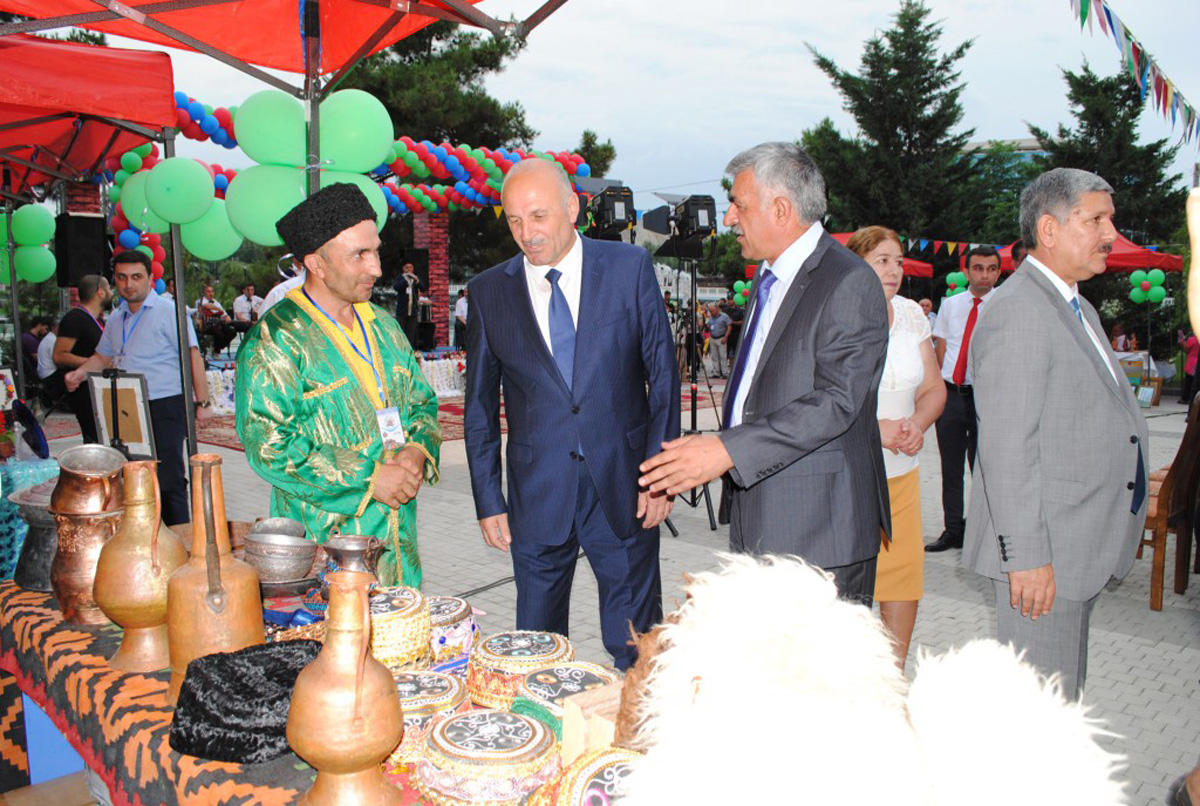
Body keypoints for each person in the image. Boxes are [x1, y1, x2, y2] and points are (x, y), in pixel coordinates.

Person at [638, 141, 890, 606]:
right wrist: (713, 447)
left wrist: (725, 449)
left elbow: (837, 401)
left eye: (738, 204)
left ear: (780, 209)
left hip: (819, 534)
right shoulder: (769, 275)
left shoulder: (848, 280)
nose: (729, 217)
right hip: (763, 513)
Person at [463, 158, 678, 670]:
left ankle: (641, 740)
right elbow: (478, 406)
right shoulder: (490, 291)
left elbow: (664, 379)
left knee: (635, 644)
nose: (526, 233)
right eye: (514, 221)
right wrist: (489, 499)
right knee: (535, 649)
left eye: (538, 216)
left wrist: (660, 477)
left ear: (572, 207)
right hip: (537, 497)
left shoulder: (628, 268)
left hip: (626, 487)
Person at [964, 167, 1148, 700]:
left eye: (1109, 220)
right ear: (1049, 229)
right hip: (1045, 557)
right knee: (1040, 717)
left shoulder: (1075, 304)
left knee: (1061, 700)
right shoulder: (1019, 310)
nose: (1111, 233)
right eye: (1095, 219)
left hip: (1077, 545)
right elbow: (1007, 447)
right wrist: (1025, 557)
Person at [236, 183, 440, 588]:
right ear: (317, 263)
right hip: (326, 552)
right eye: (359, 255)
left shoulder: (382, 325)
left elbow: (421, 403)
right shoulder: (277, 339)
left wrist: (416, 453)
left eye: (376, 250)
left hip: (398, 541)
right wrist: (370, 479)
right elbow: (269, 445)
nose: (377, 268)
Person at [847, 226, 946, 669]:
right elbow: (816, 400)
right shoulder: (838, 314)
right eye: (881, 260)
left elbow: (933, 386)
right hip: (849, 477)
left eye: (899, 261)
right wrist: (876, 429)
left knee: (903, 579)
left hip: (901, 473)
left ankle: (893, 678)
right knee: (846, 589)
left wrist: (917, 424)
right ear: (857, 265)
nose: (894, 270)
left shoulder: (910, 315)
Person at [65, 252, 210, 525]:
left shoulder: (170, 311)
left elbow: (192, 356)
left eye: (136, 277)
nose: (129, 284)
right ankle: (145, 540)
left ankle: (181, 541)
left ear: (150, 279)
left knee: (168, 481)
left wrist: (202, 403)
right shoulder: (117, 317)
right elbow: (104, 357)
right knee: (132, 477)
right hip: (127, 407)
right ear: (115, 281)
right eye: (122, 278)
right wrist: (80, 373)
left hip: (164, 403)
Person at [926, 245, 1001, 552]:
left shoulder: (1005, 305)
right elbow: (942, 348)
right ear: (967, 270)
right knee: (950, 466)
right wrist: (939, 389)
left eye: (992, 268)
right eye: (979, 268)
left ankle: (984, 532)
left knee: (983, 468)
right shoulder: (951, 305)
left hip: (986, 398)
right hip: (952, 395)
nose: (985, 274)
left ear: (999, 271)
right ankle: (952, 529)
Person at [53, 274, 111, 443]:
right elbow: (59, 355)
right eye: (108, 289)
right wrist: (93, 363)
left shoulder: (96, 319)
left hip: (97, 387)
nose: (110, 292)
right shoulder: (75, 318)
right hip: (83, 389)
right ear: (100, 292)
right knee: (94, 437)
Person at [194, 283, 235, 355]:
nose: (211, 293)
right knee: (218, 331)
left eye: (212, 291)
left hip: (218, 323)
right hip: (206, 325)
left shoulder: (216, 302)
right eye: (208, 291)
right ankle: (216, 350)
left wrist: (227, 316)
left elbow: (224, 314)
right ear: (204, 293)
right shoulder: (199, 301)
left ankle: (217, 348)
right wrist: (218, 309)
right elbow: (207, 306)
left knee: (232, 331)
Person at [393, 262, 423, 347]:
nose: (409, 269)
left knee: (411, 333)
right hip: (402, 310)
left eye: (411, 268)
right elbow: (396, 287)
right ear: (403, 269)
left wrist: (417, 280)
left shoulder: (415, 278)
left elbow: (422, 288)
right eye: (407, 268)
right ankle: (402, 350)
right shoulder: (400, 277)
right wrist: (405, 280)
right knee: (401, 332)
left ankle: (411, 350)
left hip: (413, 310)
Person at [705, 302, 730, 378]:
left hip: (721, 338)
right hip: (713, 338)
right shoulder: (710, 317)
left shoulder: (724, 316)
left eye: (712, 311)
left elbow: (729, 326)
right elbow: (708, 326)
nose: (711, 312)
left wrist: (726, 337)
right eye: (710, 311)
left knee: (723, 356)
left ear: (717, 309)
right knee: (714, 356)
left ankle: (725, 373)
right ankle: (716, 372)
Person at [20, 317, 49, 382]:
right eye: (45, 328)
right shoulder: (30, 340)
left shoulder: (29, 337)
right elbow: (38, 358)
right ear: (39, 325)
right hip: (34, 373)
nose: (46, 331)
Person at [1179, 328, 1198, 405]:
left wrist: (1182, 341)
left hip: (1192, 362)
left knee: (1188, 382)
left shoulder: (1192, 339)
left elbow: (1186, 349)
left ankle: (1185, 398)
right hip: (1197, 362)